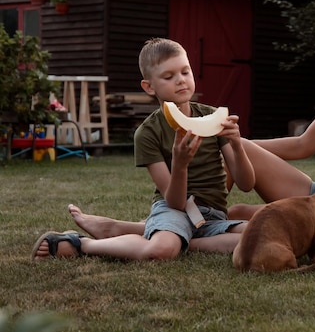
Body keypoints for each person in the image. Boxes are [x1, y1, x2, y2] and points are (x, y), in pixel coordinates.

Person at [67, 12, 315, 244]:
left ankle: (136, 230)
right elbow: (305, 143)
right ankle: (176, 220)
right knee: (236, 193)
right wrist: (239, 145)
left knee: (252, 211)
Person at [32, 38, 255, 261]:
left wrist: (237, 145)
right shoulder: (148, 133)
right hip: (173, 211)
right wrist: (180, 165)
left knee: (258, 235)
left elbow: (246, 184)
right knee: (161, 251)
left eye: (185, 72)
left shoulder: (214, 119)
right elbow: (175, 202)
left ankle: (180, 241)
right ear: (149, 87)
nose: (180, 81)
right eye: (169, 77)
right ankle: (82, 244)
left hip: (213, 216)